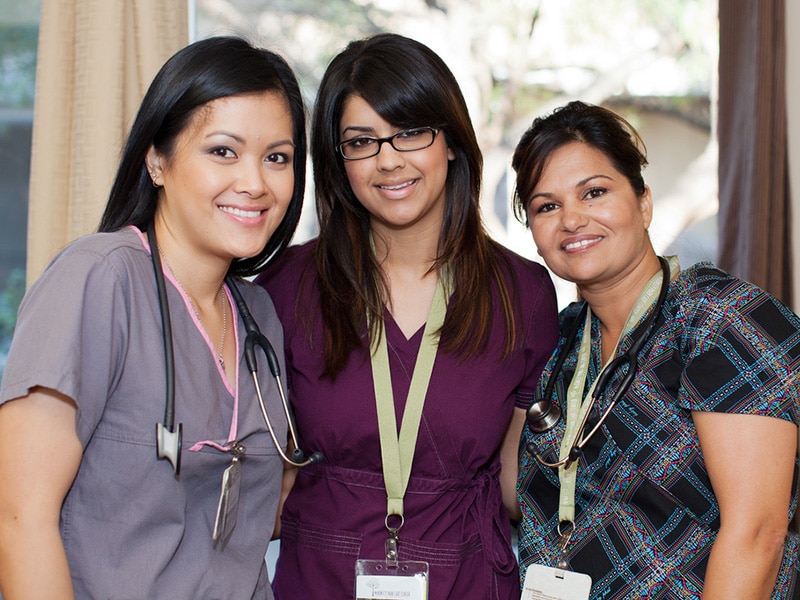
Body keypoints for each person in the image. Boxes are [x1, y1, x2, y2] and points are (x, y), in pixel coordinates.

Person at [0, 36, 307, 599]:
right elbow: (19, 518)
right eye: (222, 151)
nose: (255, 182)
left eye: (277, 157)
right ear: (157, 159)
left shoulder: (258, 314)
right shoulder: (99, 280)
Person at [255, 33, 559, 599]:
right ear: (337, 161)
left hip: (466, 579)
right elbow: (256, 473)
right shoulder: (282, 288)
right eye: (361, 141)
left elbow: (521, 479)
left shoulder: (523, 292)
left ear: (450, 141)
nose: (388, 160)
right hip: (319, 580)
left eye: (411, 132)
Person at [512, 100, 800, 599]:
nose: (572, 219)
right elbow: (513, 494)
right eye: (547, 206)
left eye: (594, 192)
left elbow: (757, 533)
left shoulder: (721, 318)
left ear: (644, 202)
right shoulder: (556, 342)